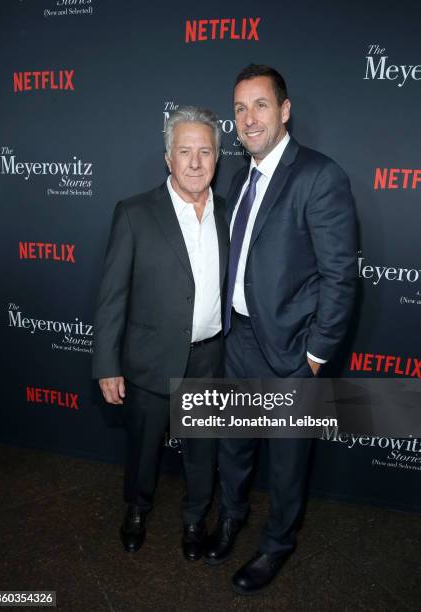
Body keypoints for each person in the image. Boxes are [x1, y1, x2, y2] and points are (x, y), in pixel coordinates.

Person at [204, 64, 357, 594]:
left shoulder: (319, 175)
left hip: (291, 351)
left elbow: (341, 276)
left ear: (285, 110)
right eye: (240, 108)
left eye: (260, 105)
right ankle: (231, 517)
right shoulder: (239, 175)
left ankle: (276, 546)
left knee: (289, 461)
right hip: (238, 338)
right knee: (234, 444)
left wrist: (314, 354)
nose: (248, 119)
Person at [92, 106, 228, 561]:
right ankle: (136, 510)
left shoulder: (230, 215)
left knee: (202, 453)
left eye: (204, 151)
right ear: (168, 158)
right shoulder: (133, 213)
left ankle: (195, 520)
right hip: (149, 359)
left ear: (217, 157)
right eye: (184, 151)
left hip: (210, 359)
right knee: (143, 451)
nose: (195, 161)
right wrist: (108, 364)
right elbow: (113, 295)